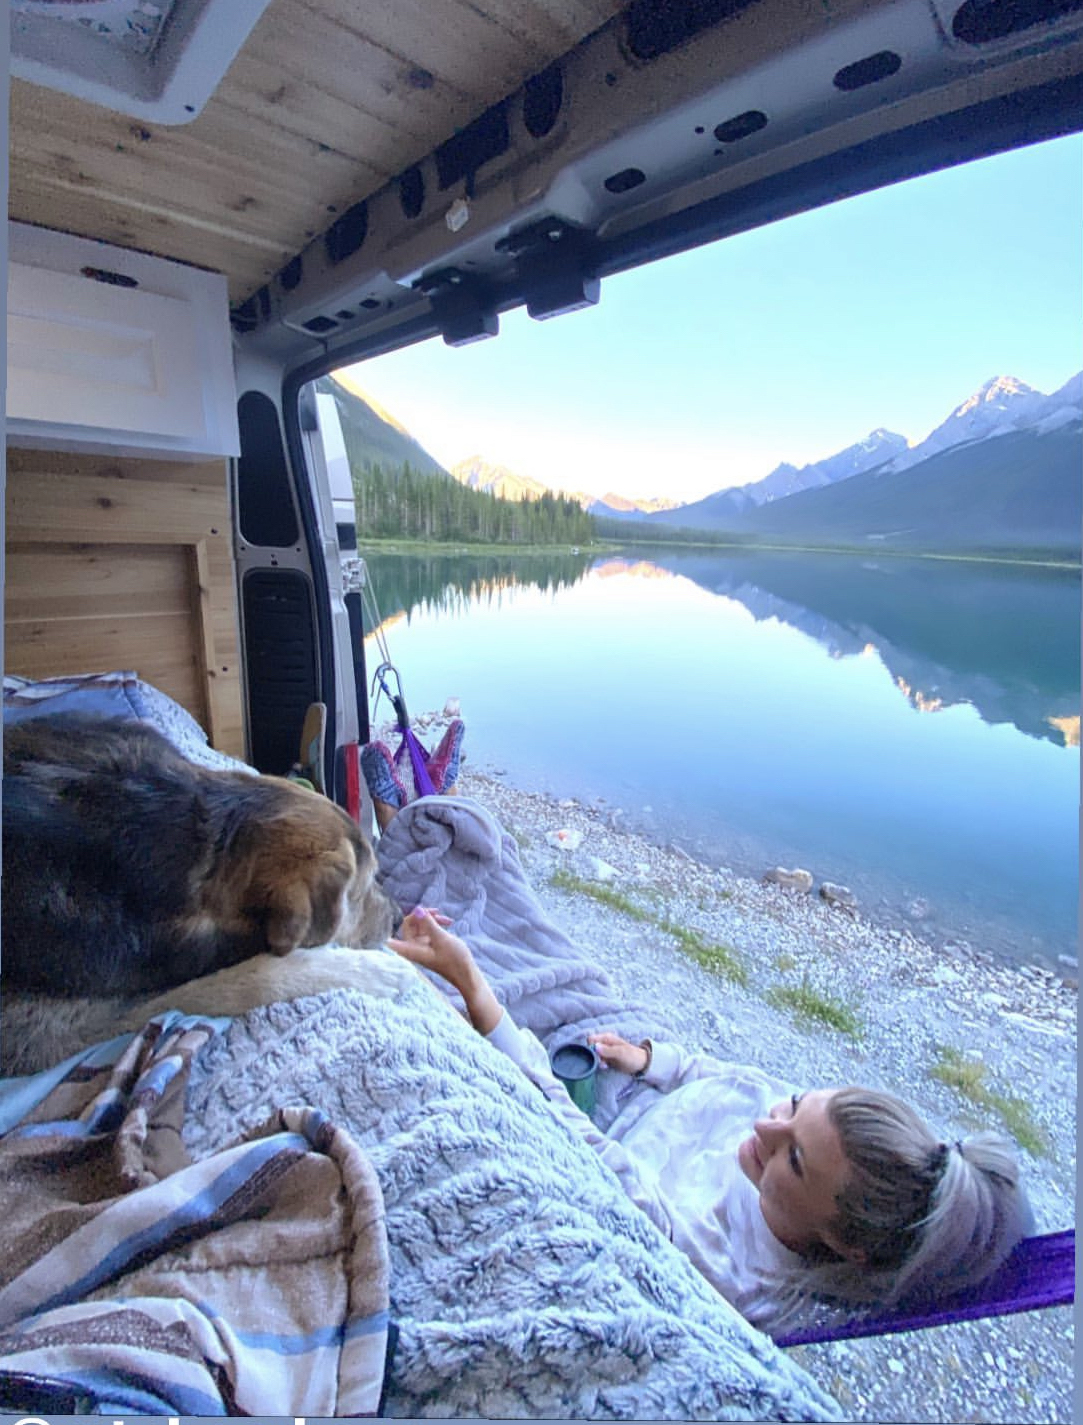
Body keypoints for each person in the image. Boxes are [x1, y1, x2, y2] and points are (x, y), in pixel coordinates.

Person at [388, 908, 1033, 1336]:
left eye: (794, 1159)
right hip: (638, 1088)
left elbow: (573, 1137)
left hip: (604, 1133)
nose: (765, 1127)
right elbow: (724, 1078)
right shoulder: (790, 1129)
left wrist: (477, 991)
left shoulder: (712, 1263)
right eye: (796, 1106)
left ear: (845, 1246)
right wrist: (648, 1059)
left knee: (446, 990)